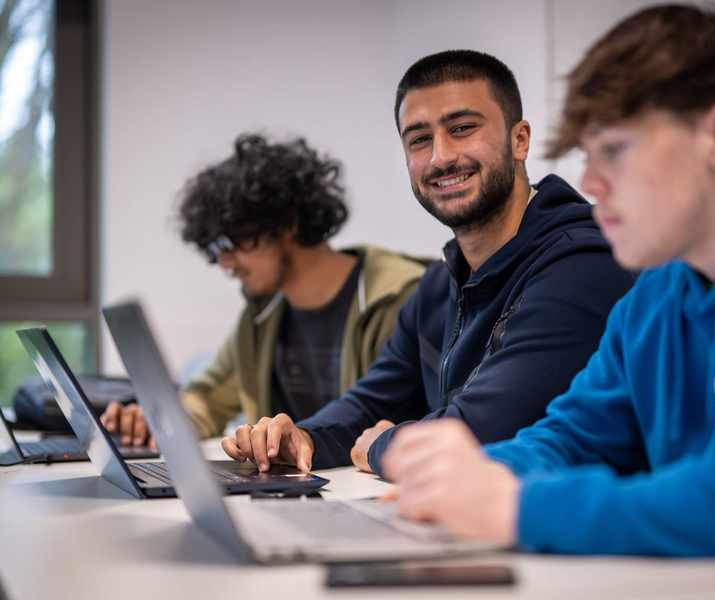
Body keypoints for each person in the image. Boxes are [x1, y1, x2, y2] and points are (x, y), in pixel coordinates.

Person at [382, 5, 715, 558]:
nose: (590, 182)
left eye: (615, 151)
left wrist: (514, 508)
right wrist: (455, 480)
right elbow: (572, 438)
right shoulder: (652, 299)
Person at [221, 51, 634, 475]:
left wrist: (385, 445)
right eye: (419, 139)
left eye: (462, 129)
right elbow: (371, 402)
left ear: (520, 140)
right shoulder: (439, 285)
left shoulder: (582, 263)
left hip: (564, 533)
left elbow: (491, 427)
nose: (440, 157)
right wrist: (302, 436)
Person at [101, 133, 426, 449]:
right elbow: (206, 398)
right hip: (292, 488)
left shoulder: (398, 298)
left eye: (230, 243)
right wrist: (156, 421)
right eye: (214, 250)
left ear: (286, 222)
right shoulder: (263, 315)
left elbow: (384, 417)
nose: (224, 264)